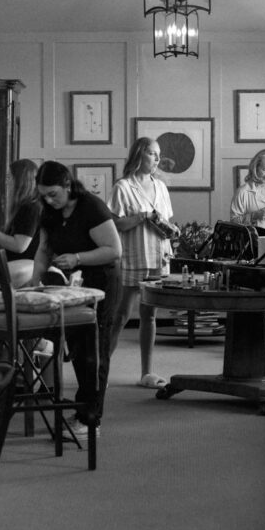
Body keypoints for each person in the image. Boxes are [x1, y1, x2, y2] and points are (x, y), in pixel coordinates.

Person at [30, 161, 122, 438]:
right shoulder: (49, 211)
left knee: (95, 350)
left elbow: (114, 250)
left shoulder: (90, 207)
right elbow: (43, 250)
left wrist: (77, 257)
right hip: (72, 286)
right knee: (78, 349)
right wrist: (35, 282)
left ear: (68, 186)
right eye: (43, 194)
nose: (48, 199)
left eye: (53, 194)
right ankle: (83, 409)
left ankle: (92, 418)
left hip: (102, 282)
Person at [107, 137, 179, 388]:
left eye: (159, 154)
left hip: (158, 255)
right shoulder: (123, 187)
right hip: (135, 255)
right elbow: (115, 224)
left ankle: (146, 373)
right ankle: (100, 370)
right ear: (139, 154)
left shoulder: (160, 187)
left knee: (149, 314)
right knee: (122, 315)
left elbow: (167, 222)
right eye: (152, 153)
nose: (157, 159)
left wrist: (172, 232)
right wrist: (142, 217)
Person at [0, 158, 41, 288]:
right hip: (17, 271)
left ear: (20, 180)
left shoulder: (30, 208)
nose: (7, 181)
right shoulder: (26, 207)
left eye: (10, 177)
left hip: (23, 273)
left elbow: (20, 245)